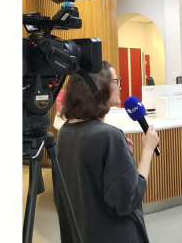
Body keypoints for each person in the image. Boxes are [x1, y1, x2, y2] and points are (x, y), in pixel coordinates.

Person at [56, 62, 159, 243]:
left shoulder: (65, 130)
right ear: (100, 86)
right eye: (116, 81)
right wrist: (148, 150)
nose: (120, 86)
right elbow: (130, 199)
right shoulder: (108, 136)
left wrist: (120, 155)